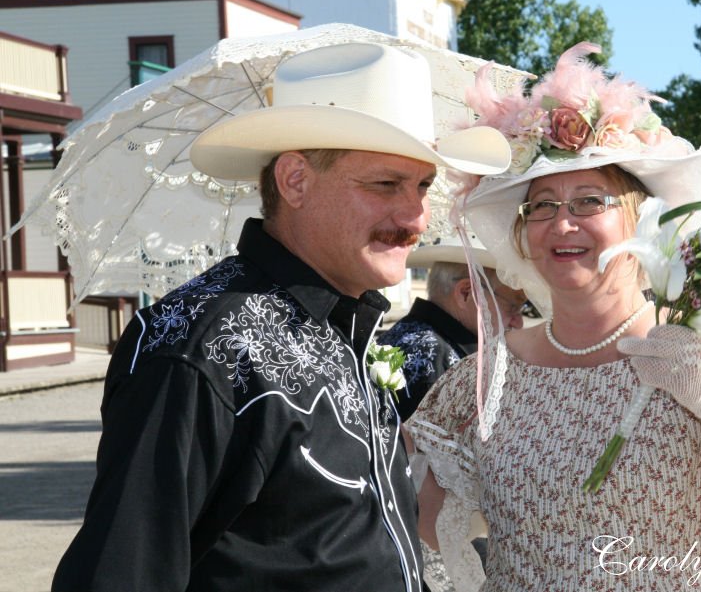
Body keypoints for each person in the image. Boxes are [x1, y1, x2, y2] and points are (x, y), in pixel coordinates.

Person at [51, 42, 510, 592]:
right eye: (386, 184)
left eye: (423, 186)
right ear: (295, 181)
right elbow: (121, 572)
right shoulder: (200, 346)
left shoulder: (344, 329)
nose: (415, 216)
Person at [406, 43, 701, 591]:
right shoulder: (482, 380)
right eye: (543, 206)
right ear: (524, 234)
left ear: (642, 220)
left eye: (589, 202)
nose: (562, 223)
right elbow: (420, 525)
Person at [378, 232, 527, 421]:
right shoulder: (437, 358)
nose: (518, 321)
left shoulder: (413, 335)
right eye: (513, 306)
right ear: (467, 293)